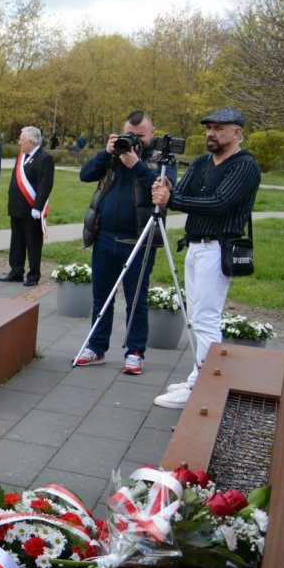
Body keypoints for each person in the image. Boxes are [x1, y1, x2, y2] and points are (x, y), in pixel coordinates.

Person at [151, 107, 261, 409]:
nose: (210, 133)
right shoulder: (202, 162)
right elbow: (184, 194)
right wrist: (167, 189)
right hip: (196, 247)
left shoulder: (244, 166)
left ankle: (203, 384)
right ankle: (198, 376)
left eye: (218, 128)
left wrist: (172, 199)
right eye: (209, 127)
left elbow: (219, 203)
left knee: (206, 318)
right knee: (197, 316)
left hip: (218, 249)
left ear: (237, 132)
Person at [73, 111, 177, 375]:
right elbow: (85, 175)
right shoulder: (115, 155)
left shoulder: (162, 158)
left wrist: (136, 164)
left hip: (139, 241)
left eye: (139, 135)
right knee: (101, 298)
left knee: (136, 300)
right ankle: (96, 347)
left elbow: (163, 188)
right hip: (105, 236)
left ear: (152, 134)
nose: (133, 140)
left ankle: (135, 351)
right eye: (129, 134)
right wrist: (106, 152)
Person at [0, 126, 54, 287]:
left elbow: (45, 185)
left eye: (22, 140)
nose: (19, 142)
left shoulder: (44, 158)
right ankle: (16, 272)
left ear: (30, 142)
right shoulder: (22, 155)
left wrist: (38, 207)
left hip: (31, 210)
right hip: (17, 208)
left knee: (33, 243)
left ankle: (33, 275)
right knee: (16, 242)